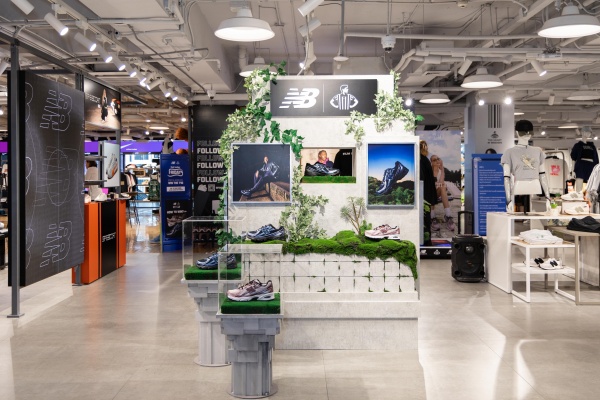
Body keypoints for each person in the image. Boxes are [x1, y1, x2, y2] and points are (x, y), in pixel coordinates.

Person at [501, 120, 551, 213]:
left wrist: (548, 198)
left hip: (536, 186)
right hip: (519, 186)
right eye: (523, 132)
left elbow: (542, 174)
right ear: (517, 133)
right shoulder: (509, 152)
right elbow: (506, 177)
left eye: (529, 132)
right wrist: (508, 200)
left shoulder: (538, 151)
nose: (527, 135)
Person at [419, 140, 438, 245]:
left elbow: (421, 179)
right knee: (426, 217)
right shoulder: (425, 159)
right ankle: (426, 240)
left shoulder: (420, 160)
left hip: (423, 194)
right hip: (427, 193)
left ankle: (425, 241)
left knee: (425, 218)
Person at [430, 155, 454, 231]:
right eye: (434, 160)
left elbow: (441, 183)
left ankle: (448, 215)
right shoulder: (429, 171)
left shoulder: (440, 171)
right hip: (429, 194)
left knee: (443, 185)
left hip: (436, 193)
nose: (437, 161)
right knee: (431, 189)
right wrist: (434, 171)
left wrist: (442, 168)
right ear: (431, 162)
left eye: (438, 159)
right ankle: (432, 217)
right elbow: (431, 185)